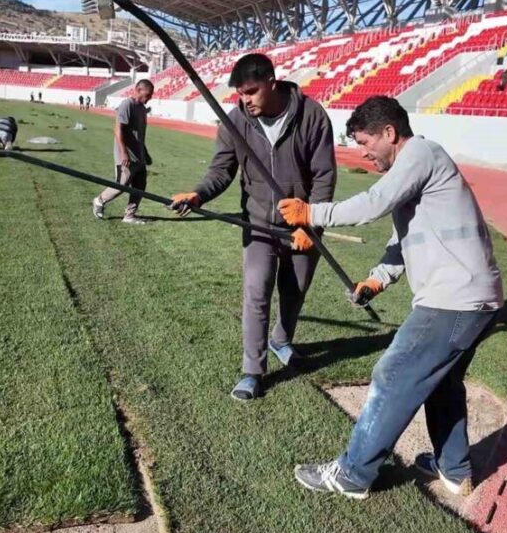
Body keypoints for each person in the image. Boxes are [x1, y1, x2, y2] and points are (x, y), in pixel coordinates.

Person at [278, 96, 502, 499]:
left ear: (389, 133)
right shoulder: (419, 167)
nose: (363, 153)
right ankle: (455, 469)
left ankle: (352, 474)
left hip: (453, 299)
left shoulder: (420, 153)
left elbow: (373, 204)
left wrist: (313, 214)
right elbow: (404, 237)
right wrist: (378, 279)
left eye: (366, 143)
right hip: (473, 298)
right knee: (442, 384)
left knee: (392, 375)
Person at [167, 53, 336, 401]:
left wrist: (311, 223)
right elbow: (221, 171)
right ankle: (252, 371)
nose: (245, 100)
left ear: (272, 83)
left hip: (302, 226)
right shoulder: (236, 122)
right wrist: (198, 195)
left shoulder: (312, 116)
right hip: (258, 223)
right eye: (240, 94)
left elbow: (324, 176)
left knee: (295, 290)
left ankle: (281, 339)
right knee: (257, 292)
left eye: (251, 92)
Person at [92, 80, 155, 225]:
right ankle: (100, 200)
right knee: (122, 185)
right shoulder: (128, 105)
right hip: (126, 156)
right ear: (138, 90)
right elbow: (118, 129)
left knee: (140, 187)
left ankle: (130, 215)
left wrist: (146, 154)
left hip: (139, 157)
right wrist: (124, 153)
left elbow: (139, 135)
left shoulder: (141, 109)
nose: (149, 98)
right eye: (148, 95)